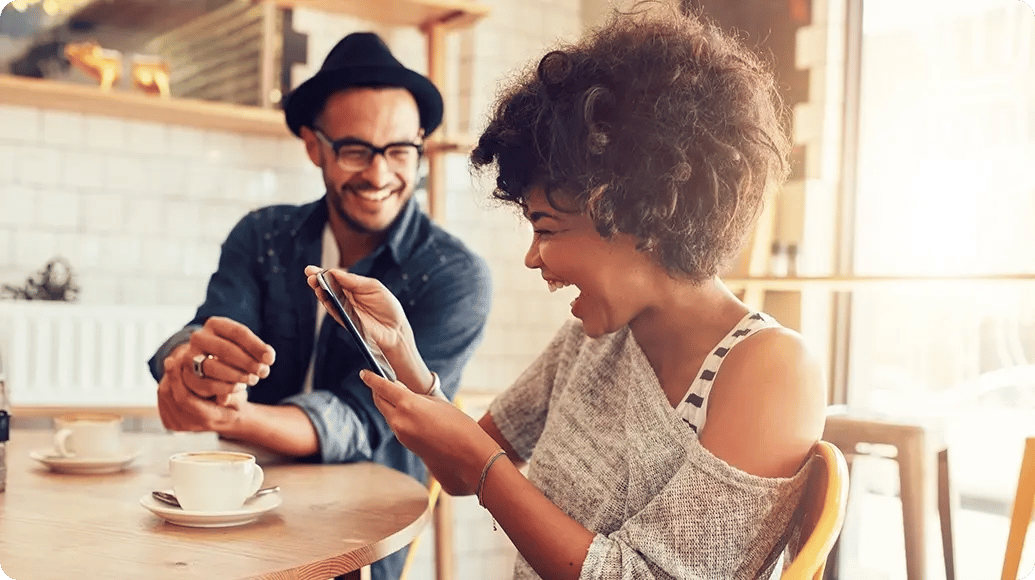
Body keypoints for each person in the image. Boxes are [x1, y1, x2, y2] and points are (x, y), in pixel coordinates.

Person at [307, 2, 827, 579]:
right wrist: (402, 353)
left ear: (633, 210)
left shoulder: (772, 369)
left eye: (546, 229)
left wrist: (485, 467)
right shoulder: (591, 341)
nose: (534, 258)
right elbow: (458, 471)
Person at [148, 31, 492, 580]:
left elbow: (360, 419)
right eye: (356, 150)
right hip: (232, 512)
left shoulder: (453, 276)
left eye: (400, 150)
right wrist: (190, 370)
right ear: (315, 146)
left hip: (359, 540)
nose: (380, 175)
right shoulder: (262, 235)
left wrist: (235, 413)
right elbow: (206, 334)